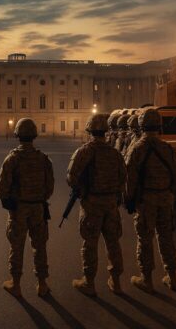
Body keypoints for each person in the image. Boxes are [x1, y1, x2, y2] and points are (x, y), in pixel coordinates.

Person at [67, 113, 126, 296]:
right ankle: (115, 281)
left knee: (90, 243)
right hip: (111, 203)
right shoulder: (115, 153)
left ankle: (89, 282)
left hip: (92, 203)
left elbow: (71, 177)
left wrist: (82, 188)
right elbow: (123, 177)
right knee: (113, 242)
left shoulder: (85, 151)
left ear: (90, 130)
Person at [125, 108, 176, 293]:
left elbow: (130, 178)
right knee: (166, 238)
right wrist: (171, 195)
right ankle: (172, 278)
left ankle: (147, 280)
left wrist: (130, 199)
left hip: (147, 200)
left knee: (145, 239)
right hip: (165, 199)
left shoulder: (137, 149)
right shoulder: (168, 149)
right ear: (159, 126)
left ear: (141, 126)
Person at [0, 118, 54, 298]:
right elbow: (50, 186)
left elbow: (2, 188)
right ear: (34, 135)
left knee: (17, 246)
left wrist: (9, 200)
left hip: (19, 209)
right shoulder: (43, 158)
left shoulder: (12, 158)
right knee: (40, 246)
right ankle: (42, 284)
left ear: (17, 135)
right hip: (38, 207)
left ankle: (16, 284)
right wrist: (40, 198)